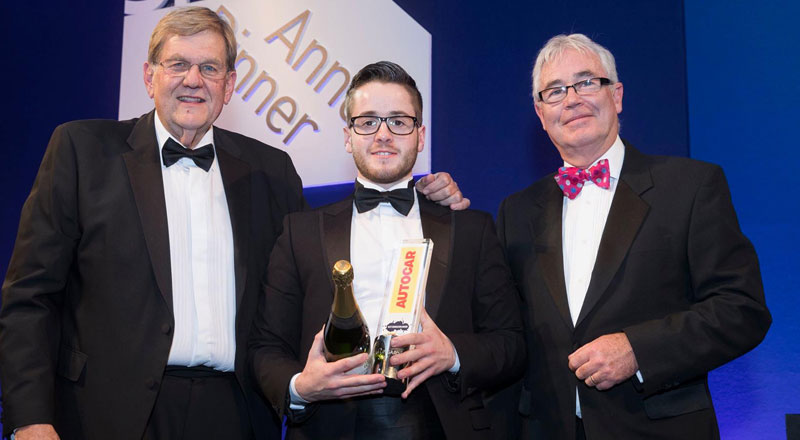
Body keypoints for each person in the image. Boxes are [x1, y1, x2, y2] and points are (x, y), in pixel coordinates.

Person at [0, 7, 466, 440]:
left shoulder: (271, 170)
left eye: (209, 68)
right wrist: (30, 420)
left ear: (230, 84)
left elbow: (317, 266)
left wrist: (424, 203)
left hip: (236, 413)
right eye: (177, 64)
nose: (192, 80)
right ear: (149, 76)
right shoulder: (82, 150)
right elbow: (29, 297)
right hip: (103, 411)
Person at [497, 33, 771, 440]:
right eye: (554, 91)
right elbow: (506, 332)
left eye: (586, 82)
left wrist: (638, 350)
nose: (571, 99)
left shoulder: (691, 187)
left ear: (617, 95)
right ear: (540, 113)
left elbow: (742, 310)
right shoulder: (516, 211)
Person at [249, 61, 526, 439]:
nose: (383, 135)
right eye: (367, 122)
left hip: (442, 424)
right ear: (348, 136)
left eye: (399, 121)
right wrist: (300, 387)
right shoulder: (300, 232)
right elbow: (266, 347)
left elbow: (511, 343)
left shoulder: (471, 228)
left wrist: (453, 354)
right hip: (330, 426)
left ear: (420, 135)